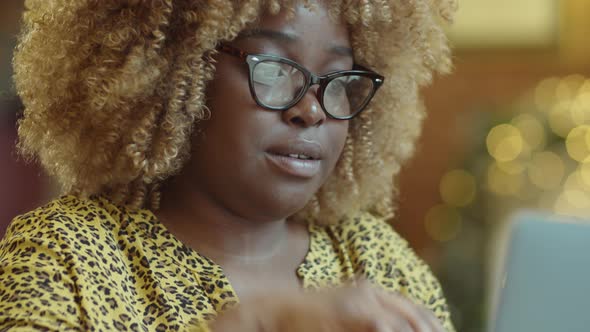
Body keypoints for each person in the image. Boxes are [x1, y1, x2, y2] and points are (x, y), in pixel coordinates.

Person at [0, 0, 457, 331]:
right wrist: (259, 322)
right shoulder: (66, 254)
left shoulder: (377, 259)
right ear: (171, 69)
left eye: (338, 79)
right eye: (276, 68)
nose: (312, 110)